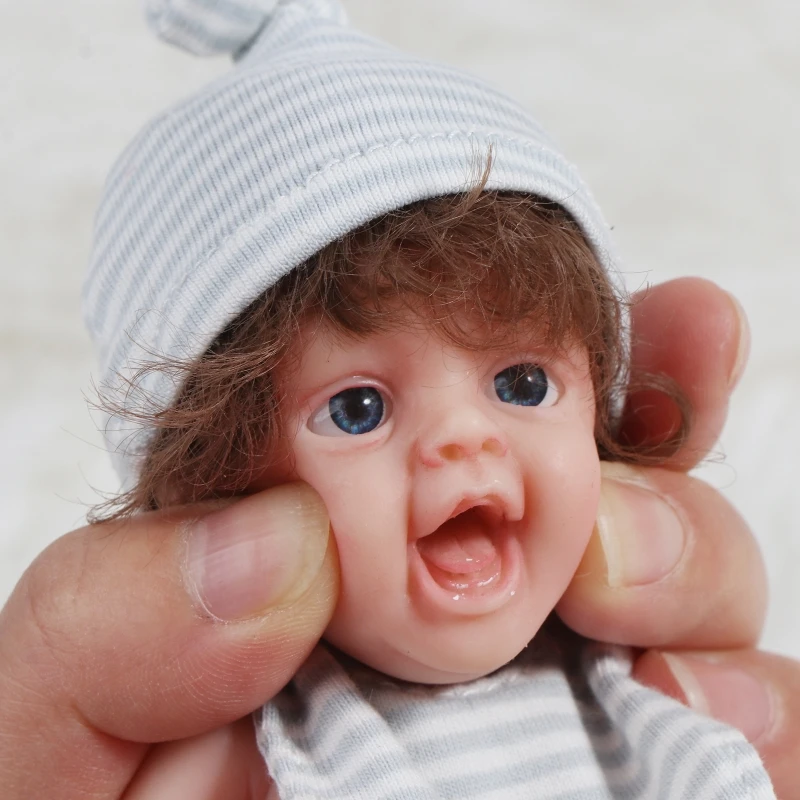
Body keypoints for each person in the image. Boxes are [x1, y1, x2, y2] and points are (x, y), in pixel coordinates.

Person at [1, 0, 796, 797]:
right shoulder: (277, 749)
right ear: (214, 489)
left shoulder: (638, 699)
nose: (462, 436)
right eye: (358, 410)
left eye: (522, 384)